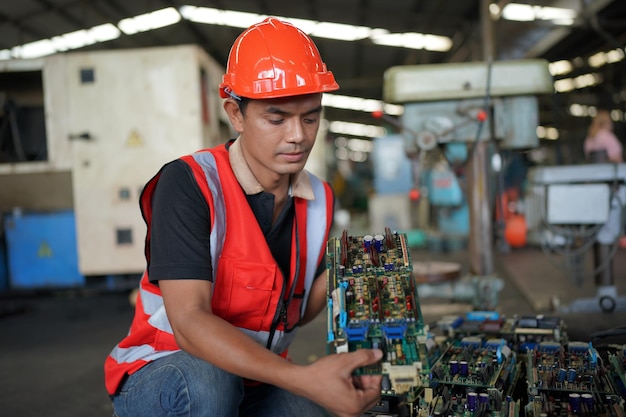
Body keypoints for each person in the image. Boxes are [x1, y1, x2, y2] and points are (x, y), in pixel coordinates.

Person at [104, 17, 383, 417]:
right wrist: (306, 378)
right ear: (236, 114)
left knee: (316, 410)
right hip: (165, 369)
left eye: (310, 117)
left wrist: (350, 269)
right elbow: (189, 322)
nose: (298, 136)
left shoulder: (319, 198)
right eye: (277, 118)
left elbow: (295, 313)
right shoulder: (190, 183)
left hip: (256, 378)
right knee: (209, 383)